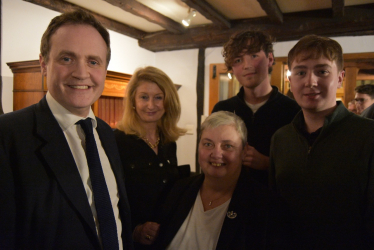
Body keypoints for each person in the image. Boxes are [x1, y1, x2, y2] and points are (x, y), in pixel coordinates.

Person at [0, 10, 133, 250]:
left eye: (93, 61)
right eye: (67, 59)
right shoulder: (8, 135)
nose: (81, 73)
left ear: (104, 69)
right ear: (44, 64)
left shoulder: (106, 133)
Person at [270, 34, 374, 249]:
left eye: (322, 71)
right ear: (290, 80)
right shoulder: (281, 138)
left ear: (339, 78)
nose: (311, 81)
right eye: (300, 72)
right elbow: (275, 210)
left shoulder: (368, 135)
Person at [152, 111, 291, 249]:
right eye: (208, 144)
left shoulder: (266, 207)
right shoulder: (179, 190)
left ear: (244, 151)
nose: (216, 154)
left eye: (228, 146)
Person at [114, 66, 189, 248]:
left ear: (168, 101)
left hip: (167, 239)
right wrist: (134, 230)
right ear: (133, 100)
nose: (151, 105)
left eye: (158, 97)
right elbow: (110, 199)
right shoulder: (116, 141)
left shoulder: (169, 141)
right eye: (144, 97)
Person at [212, 30, 300, 185]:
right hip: (230, 198)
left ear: (270, 59)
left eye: (253, 56)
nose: (247, 66)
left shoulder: (293, 110)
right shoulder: (222, 110)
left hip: (275, 202)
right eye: (238, 60)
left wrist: (267, 163)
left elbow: (302, 166)